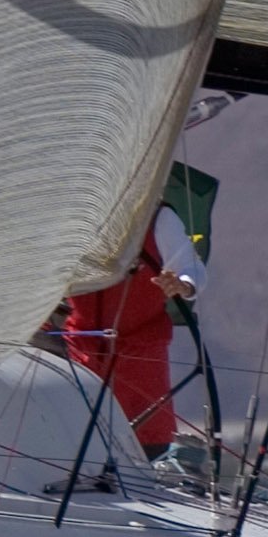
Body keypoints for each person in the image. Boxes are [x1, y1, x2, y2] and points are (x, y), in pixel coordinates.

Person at [58, 202, 207, 488]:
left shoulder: (158, 218)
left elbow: (192, 268)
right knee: (71, 440)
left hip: (141, 354)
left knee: (148, 446)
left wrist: (183, 285)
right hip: (81, 350)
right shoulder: (72, 213)